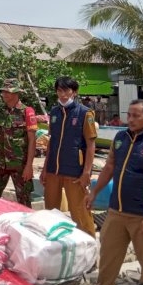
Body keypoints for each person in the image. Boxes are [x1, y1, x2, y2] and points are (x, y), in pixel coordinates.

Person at [80, 100, 143, 285]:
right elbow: (109, 167)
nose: (130, 119)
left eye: (136, 116)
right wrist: (94, 192)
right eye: (129, 115)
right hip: (116, 211)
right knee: (108, 256)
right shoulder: (120, 138)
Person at [41, 76, 97, 237]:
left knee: (80, 213)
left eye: (66, 90)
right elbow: (52, 142)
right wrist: (45, 169)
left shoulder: (85, 113)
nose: (63, 94)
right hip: (53, 170)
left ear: (74, 92)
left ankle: (89, 247)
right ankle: (55, 247)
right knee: (50, 212)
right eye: (59, 90)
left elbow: (91, 144)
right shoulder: (54, 112)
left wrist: (87, 172)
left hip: (75, 171)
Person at [0, 79, 37, 207]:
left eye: (7, 92)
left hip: (20, 165)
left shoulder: (27, 112)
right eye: (3, 92)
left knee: (24, 201)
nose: (4, 94)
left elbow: (32, 141)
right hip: (0, 163)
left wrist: (29, 166)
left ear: (16, 93)